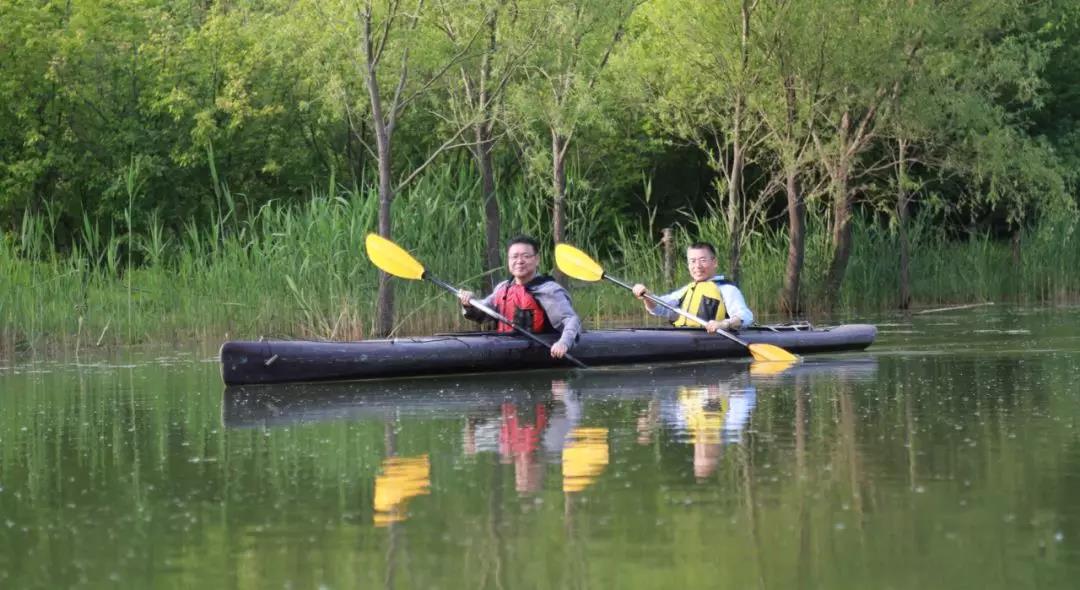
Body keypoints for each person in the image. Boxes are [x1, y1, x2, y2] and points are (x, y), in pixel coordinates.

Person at [458, 235, 582, 359]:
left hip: (538, 352)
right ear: (508, 260)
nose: (519, 261)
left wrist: (563, 343)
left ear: (537, 259)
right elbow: (482, 313)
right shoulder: (503, 288)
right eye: (514, 257)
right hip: (505, 348)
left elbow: (571, 320)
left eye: (526, 256)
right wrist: (470, 303)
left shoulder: (548, 290)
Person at [631, 241, 753, 333]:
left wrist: (723, 324)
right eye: (693, 261)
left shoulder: (727, 289)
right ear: (688, 264)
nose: (697, 266)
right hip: (685, 336)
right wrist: (646, 296)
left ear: (714, 262)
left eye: (703, 260)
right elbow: (659, 308)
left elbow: (745, 316)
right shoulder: (686, 290)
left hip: (712, 339)